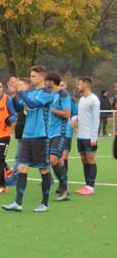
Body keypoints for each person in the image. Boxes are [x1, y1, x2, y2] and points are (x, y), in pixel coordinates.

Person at [2, 65, 55, 213]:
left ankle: (44, 204)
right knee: (22, 168)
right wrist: (13, 95)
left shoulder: (47, 93)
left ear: (41, 77)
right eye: (30, 76)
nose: (30, 78)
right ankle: (18, 203)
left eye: (33, 76)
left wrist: (20, 91)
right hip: (27, 136)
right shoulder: (30, 92)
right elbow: (19, 108)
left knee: (43, 170)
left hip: (41, 136)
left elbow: (32, 105)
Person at [70, 77, 100, 195]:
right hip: (80, 136)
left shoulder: (94, 100)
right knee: (83, 159)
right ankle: (87, 184)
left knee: (91, 159)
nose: (78, 86)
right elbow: (80, 115)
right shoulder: (81, 99)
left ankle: (91, 187)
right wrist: (74, 117)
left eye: (79, 84)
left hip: (89, 136)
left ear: (86, 85)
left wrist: (94, 137)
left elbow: (96, 120)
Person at [45, 72, 72, 202]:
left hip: (60, 133)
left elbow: (67, 114)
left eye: (46, 80)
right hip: (50, 133)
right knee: (60, 161)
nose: (45, 83)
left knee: (53, 160)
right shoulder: (50, 94)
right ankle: (64, 188)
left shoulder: (63, 94)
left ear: (51, 81)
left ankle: (65, 190)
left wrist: (53, 110)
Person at [5, 78, 30, 186]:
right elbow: (17, 108)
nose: (18, 86)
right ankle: (50, 178)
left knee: (19, 156)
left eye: (21, 85)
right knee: (22, 156)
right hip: (22, 130)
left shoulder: (31, 97)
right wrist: (13, 95)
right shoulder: (23, 99)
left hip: (29, 131)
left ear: (27, 86)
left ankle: (15, 178)